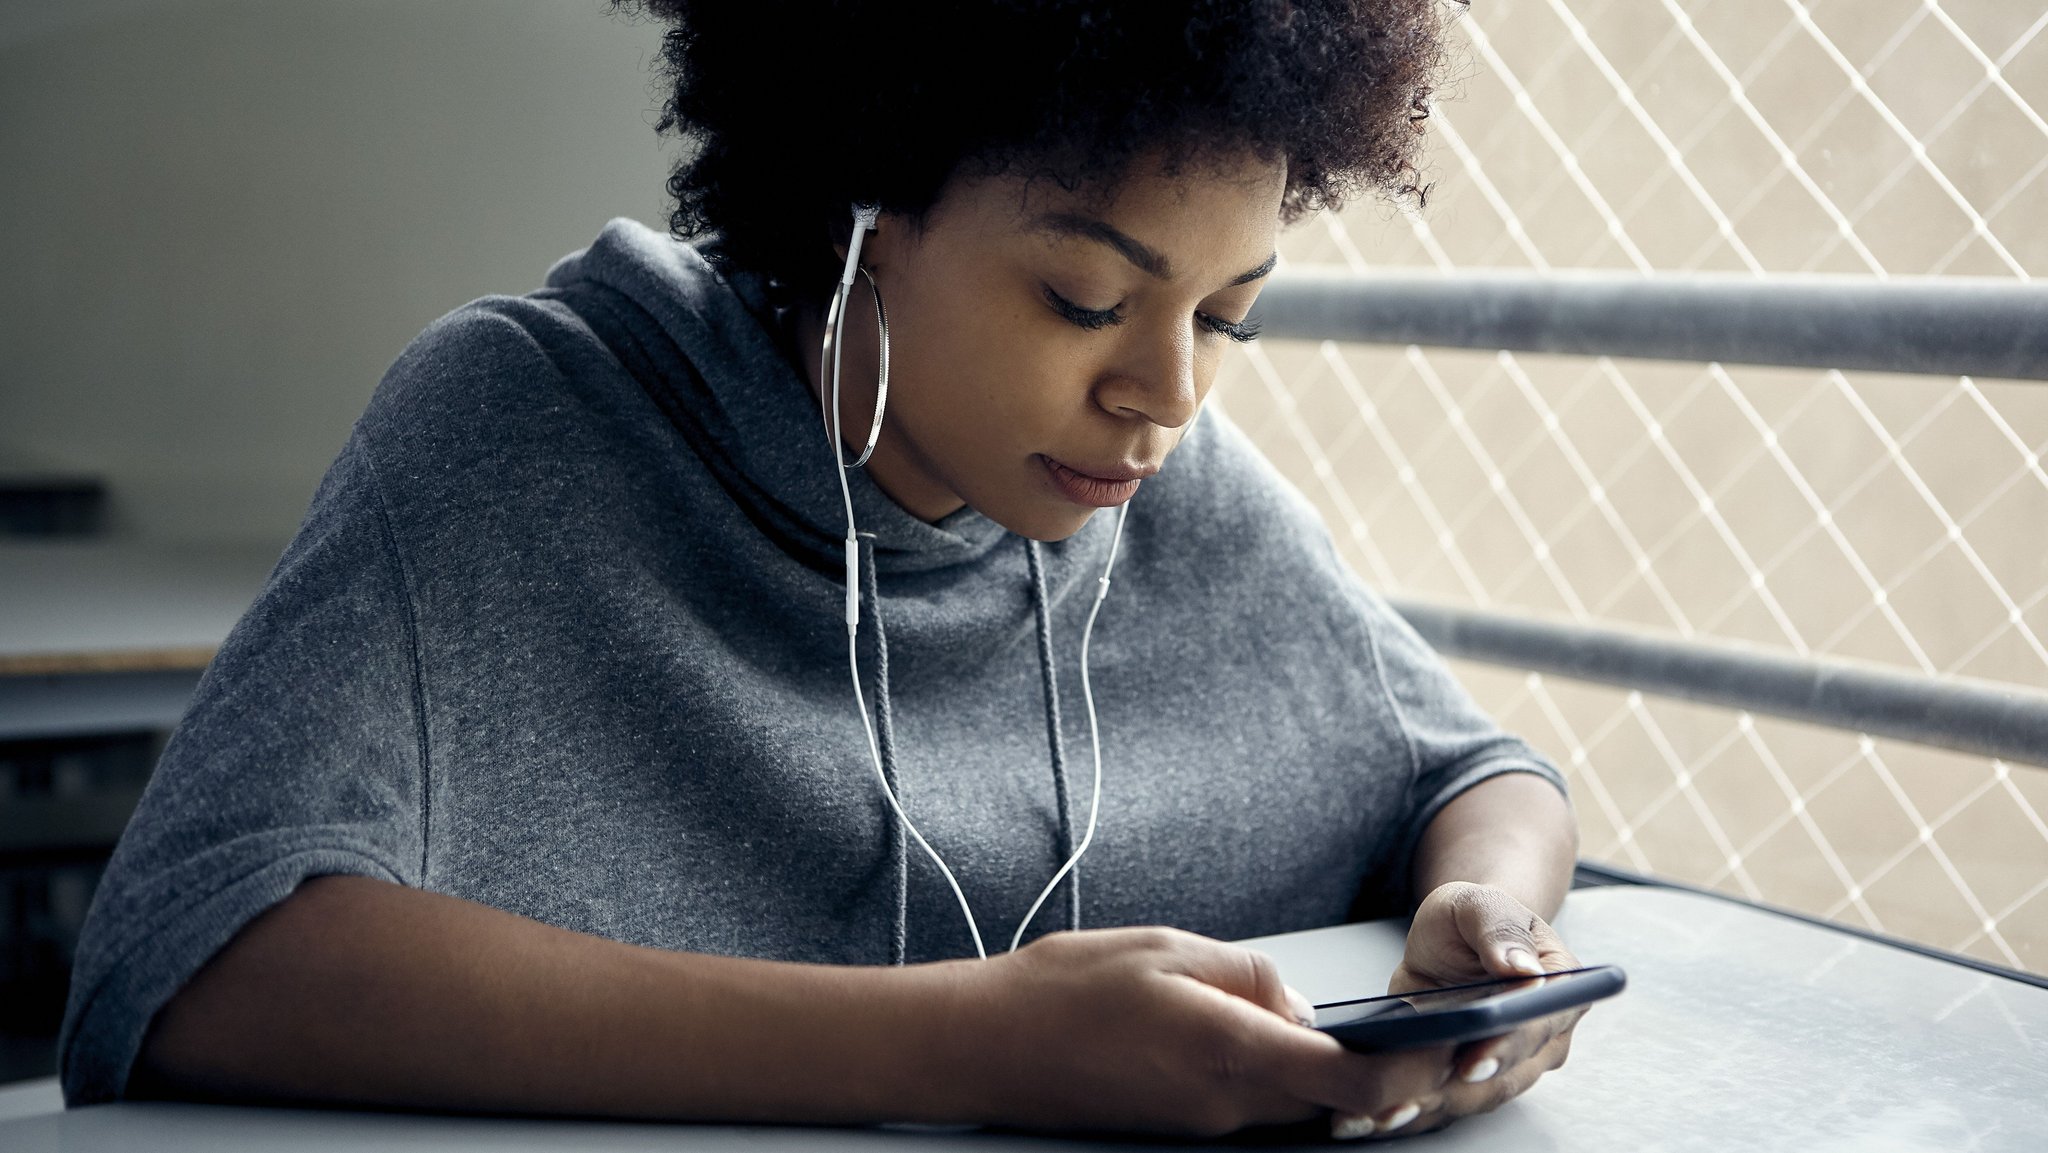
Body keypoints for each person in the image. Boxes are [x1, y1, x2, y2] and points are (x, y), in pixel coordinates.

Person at [59, 0, 1584, 1140]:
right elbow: (194, 953)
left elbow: (1480, 776)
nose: (1168, 392)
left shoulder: (1171, 504)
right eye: (1085, 295)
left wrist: (1488, 922)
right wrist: (966, 1044)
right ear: (859, 215)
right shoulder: (525, 425)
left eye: (1227, 316)